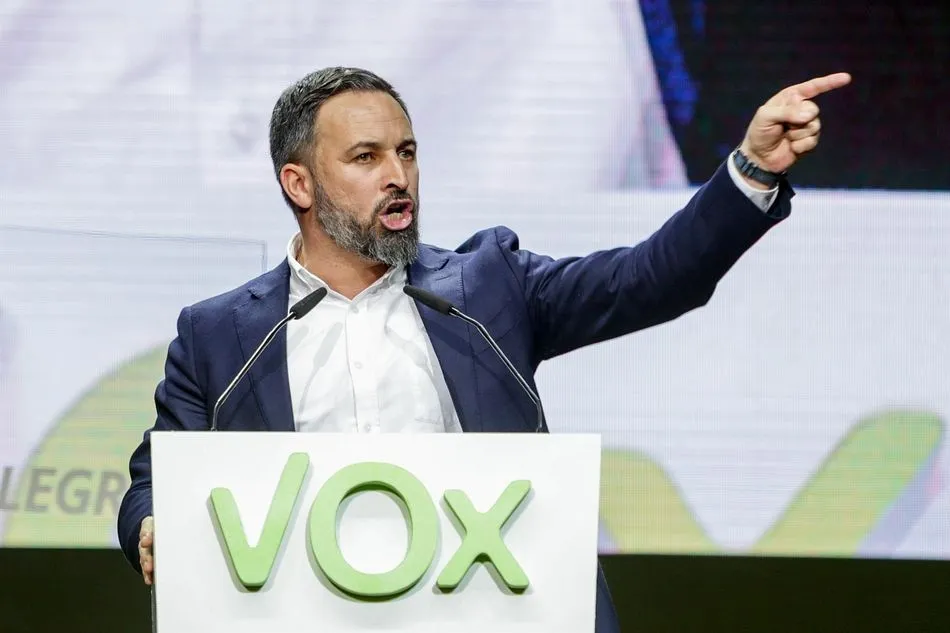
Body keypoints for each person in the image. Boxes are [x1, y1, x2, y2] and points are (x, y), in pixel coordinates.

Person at [117, 66, 851, 632]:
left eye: (405, 152)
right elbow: (155, 479)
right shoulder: (222, 334)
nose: (398, 176)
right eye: (366, 157)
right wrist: (152, 524)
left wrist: (750, 170)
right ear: (298, 182)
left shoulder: (487, 286)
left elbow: (649, 279)